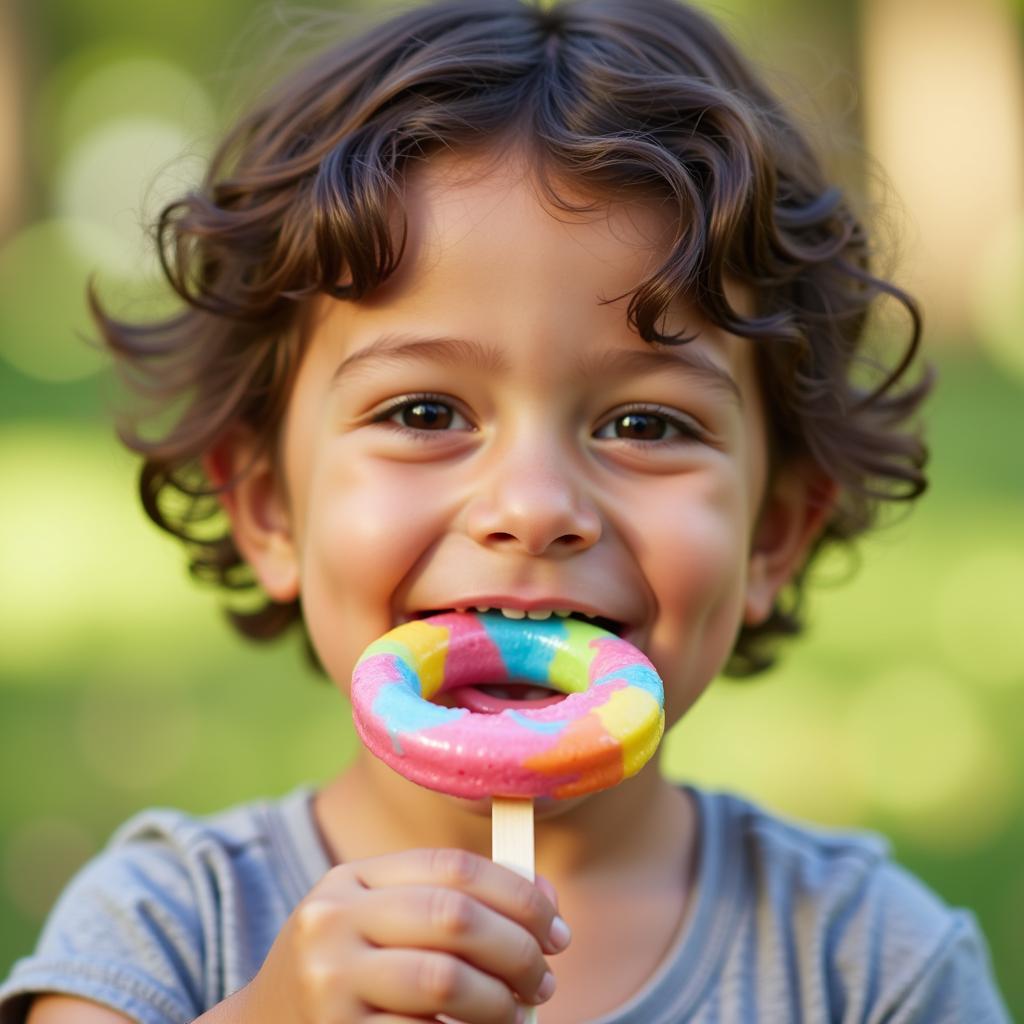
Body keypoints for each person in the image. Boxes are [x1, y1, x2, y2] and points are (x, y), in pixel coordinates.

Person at [1, 0, 1011, 1021]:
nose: (533, 508)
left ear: (774, 531)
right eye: (426, 410)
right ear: (268, 508)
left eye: (646, 424)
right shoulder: (169, 925)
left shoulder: (868, 964)